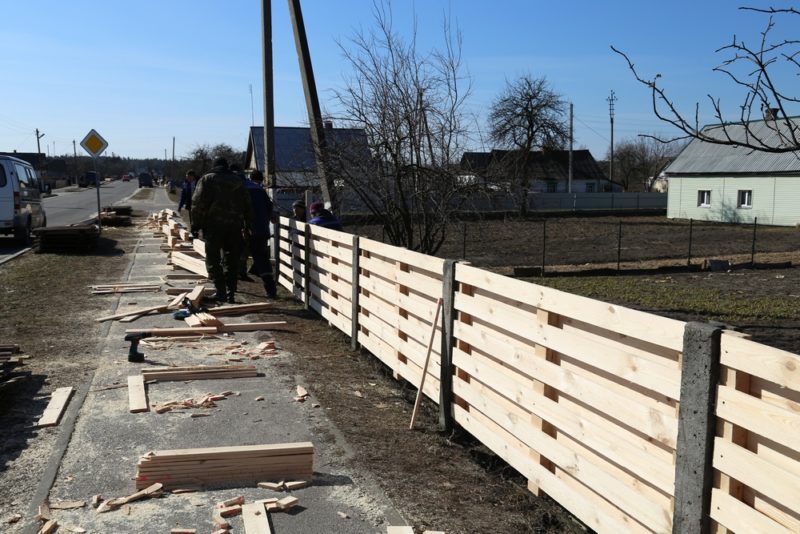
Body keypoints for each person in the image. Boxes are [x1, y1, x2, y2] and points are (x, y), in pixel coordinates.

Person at [191, 157, 253, 303]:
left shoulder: (207, 179)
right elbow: (248, 204)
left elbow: (197, 204)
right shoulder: (238, 180)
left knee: (213, 260)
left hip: (214, 226)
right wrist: (248, 225)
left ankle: (220, 292)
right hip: (234, 226)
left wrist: (196, 225)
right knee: (232, 260)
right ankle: (231, 293)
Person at [243, 170, 278, 298]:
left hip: (246, 230)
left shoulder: (241, 188)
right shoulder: (261, 191)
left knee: (237, 256)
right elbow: (270, 208)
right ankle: (271, 290)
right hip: (262, 230)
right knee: (262, 258)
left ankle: (231, 290)